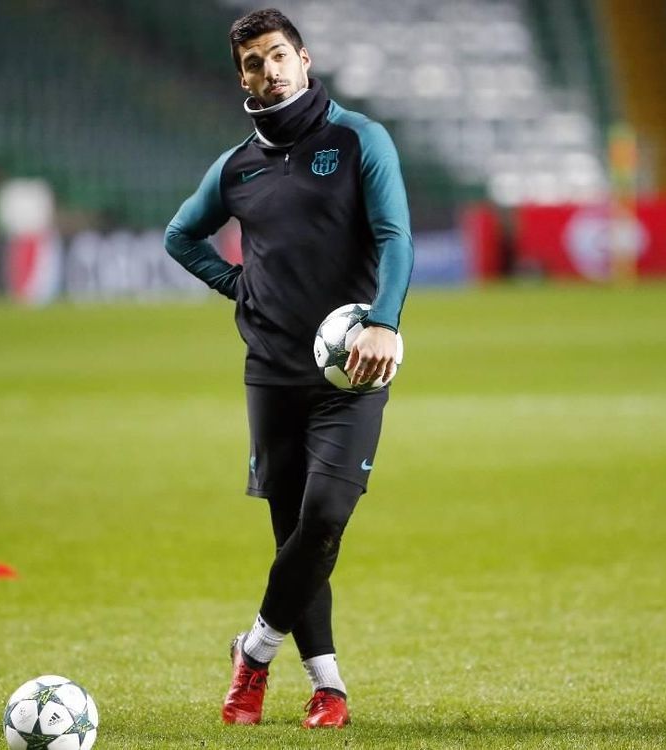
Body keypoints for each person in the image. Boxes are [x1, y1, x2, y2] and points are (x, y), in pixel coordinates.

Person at [164, 7, 412, 730]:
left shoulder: (359, 138)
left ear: (303, 60)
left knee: (326, 518)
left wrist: (385, 323)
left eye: (278, 57)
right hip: (271, 373)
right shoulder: (236, 166)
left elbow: (396, 236)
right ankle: (327, 687)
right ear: (239, 74)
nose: (267, 73)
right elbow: (182, 236)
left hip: (352, 373)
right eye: (251, 63)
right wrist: (241, 285)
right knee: (293, 537)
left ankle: (255, 654)